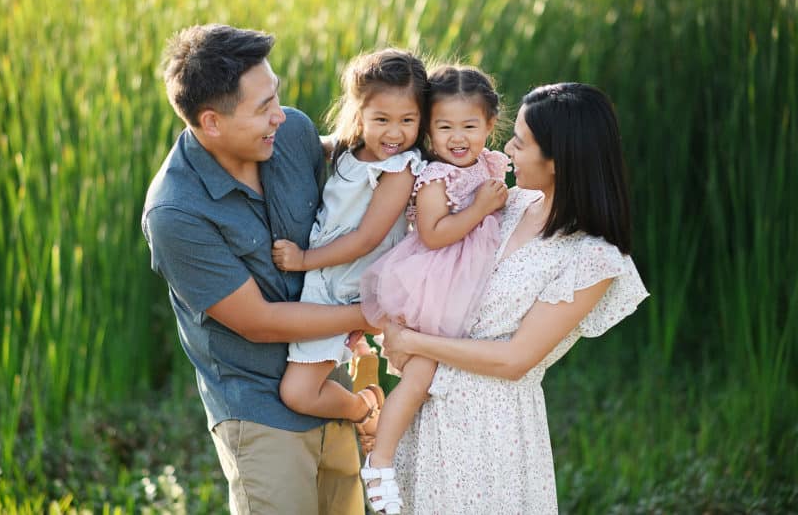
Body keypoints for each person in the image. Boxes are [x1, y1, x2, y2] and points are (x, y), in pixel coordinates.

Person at [141, 24, 379, 515]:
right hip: (260, 415)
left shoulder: (290, 132)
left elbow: (369, 154)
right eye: (262, 108)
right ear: (211, 122)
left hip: (326, 386)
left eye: (276, 97)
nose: (280, 115)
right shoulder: (176, 213)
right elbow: (260, 320)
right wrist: (370, 314)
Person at [381, 82, 650, 514]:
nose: (506, 149)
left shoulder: (592, 257)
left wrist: (413, 343)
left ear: (558, 159)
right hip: (429, 410)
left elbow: (515, 360)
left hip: (494, 434)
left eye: (521, 143)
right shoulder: (505, 204)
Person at [356, 65, 510, 514]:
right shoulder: (435, 177)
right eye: (444, 127)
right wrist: (481, 207)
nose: (457, 138)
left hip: (471, 289)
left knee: (448, 379)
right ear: (429, 129)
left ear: (489, 126)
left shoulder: (492, 164)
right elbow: (435, 233)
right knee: (422, 374)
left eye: (469, 126)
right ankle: (379, 460)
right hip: (433, 285)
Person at [270, 49, 428, 441]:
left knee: (297, 392)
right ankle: (360, 363)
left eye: (408, 121)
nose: (395, 133)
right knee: (300, 382)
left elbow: (366, 239)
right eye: (382, 120)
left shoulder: (398, 168)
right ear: (359, 114)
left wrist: (304, 259)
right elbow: (309, 144)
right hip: (328, 279)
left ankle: (365, 406)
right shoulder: (348, 148)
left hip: (345, 288)